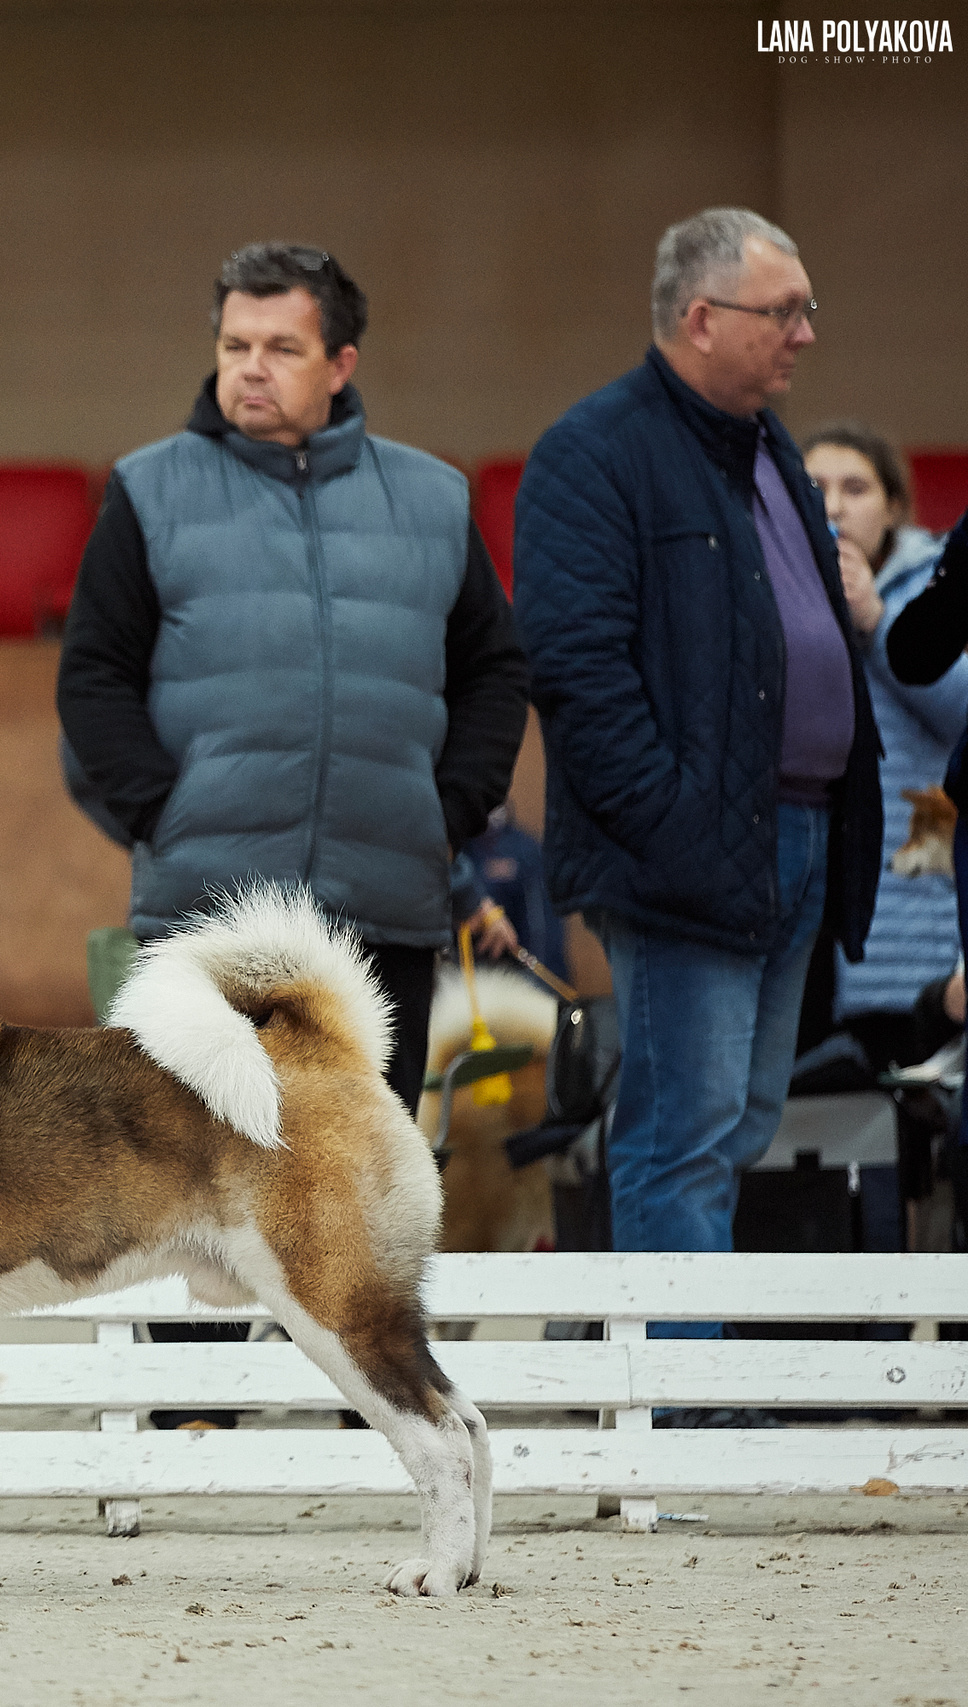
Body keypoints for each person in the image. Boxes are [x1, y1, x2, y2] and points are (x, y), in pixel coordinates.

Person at [516, 208, 880, 1355]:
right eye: (784, 312)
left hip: (797, 835)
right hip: (688, 852)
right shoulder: (595, 451)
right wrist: (677, 828)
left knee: (738, 1120)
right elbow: (576, 673)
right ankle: (675, 1400)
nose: (805, 335)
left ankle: (686, 1381)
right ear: (699, 318)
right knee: (680, 1126)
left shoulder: (764, 443)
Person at [57, 242, 529, 1113]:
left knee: (356, 1194)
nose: (251, 370)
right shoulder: (149, 491)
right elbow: (92, 678)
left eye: (281, 348)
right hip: (209, 915)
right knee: (197, 1191)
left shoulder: (432, 500)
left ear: (341, 365)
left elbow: (494, 671)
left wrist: (450, 810)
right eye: (236, 346)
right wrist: (169, 811)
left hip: (383, 911)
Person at [802, 424, 965, 1069]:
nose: (834, 507)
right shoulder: (771, 598)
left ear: (895, 505)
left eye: (855, 488)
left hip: (917, 918)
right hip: (806, 914)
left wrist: (875, 622)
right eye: (813, 489)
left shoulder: (941, 584)